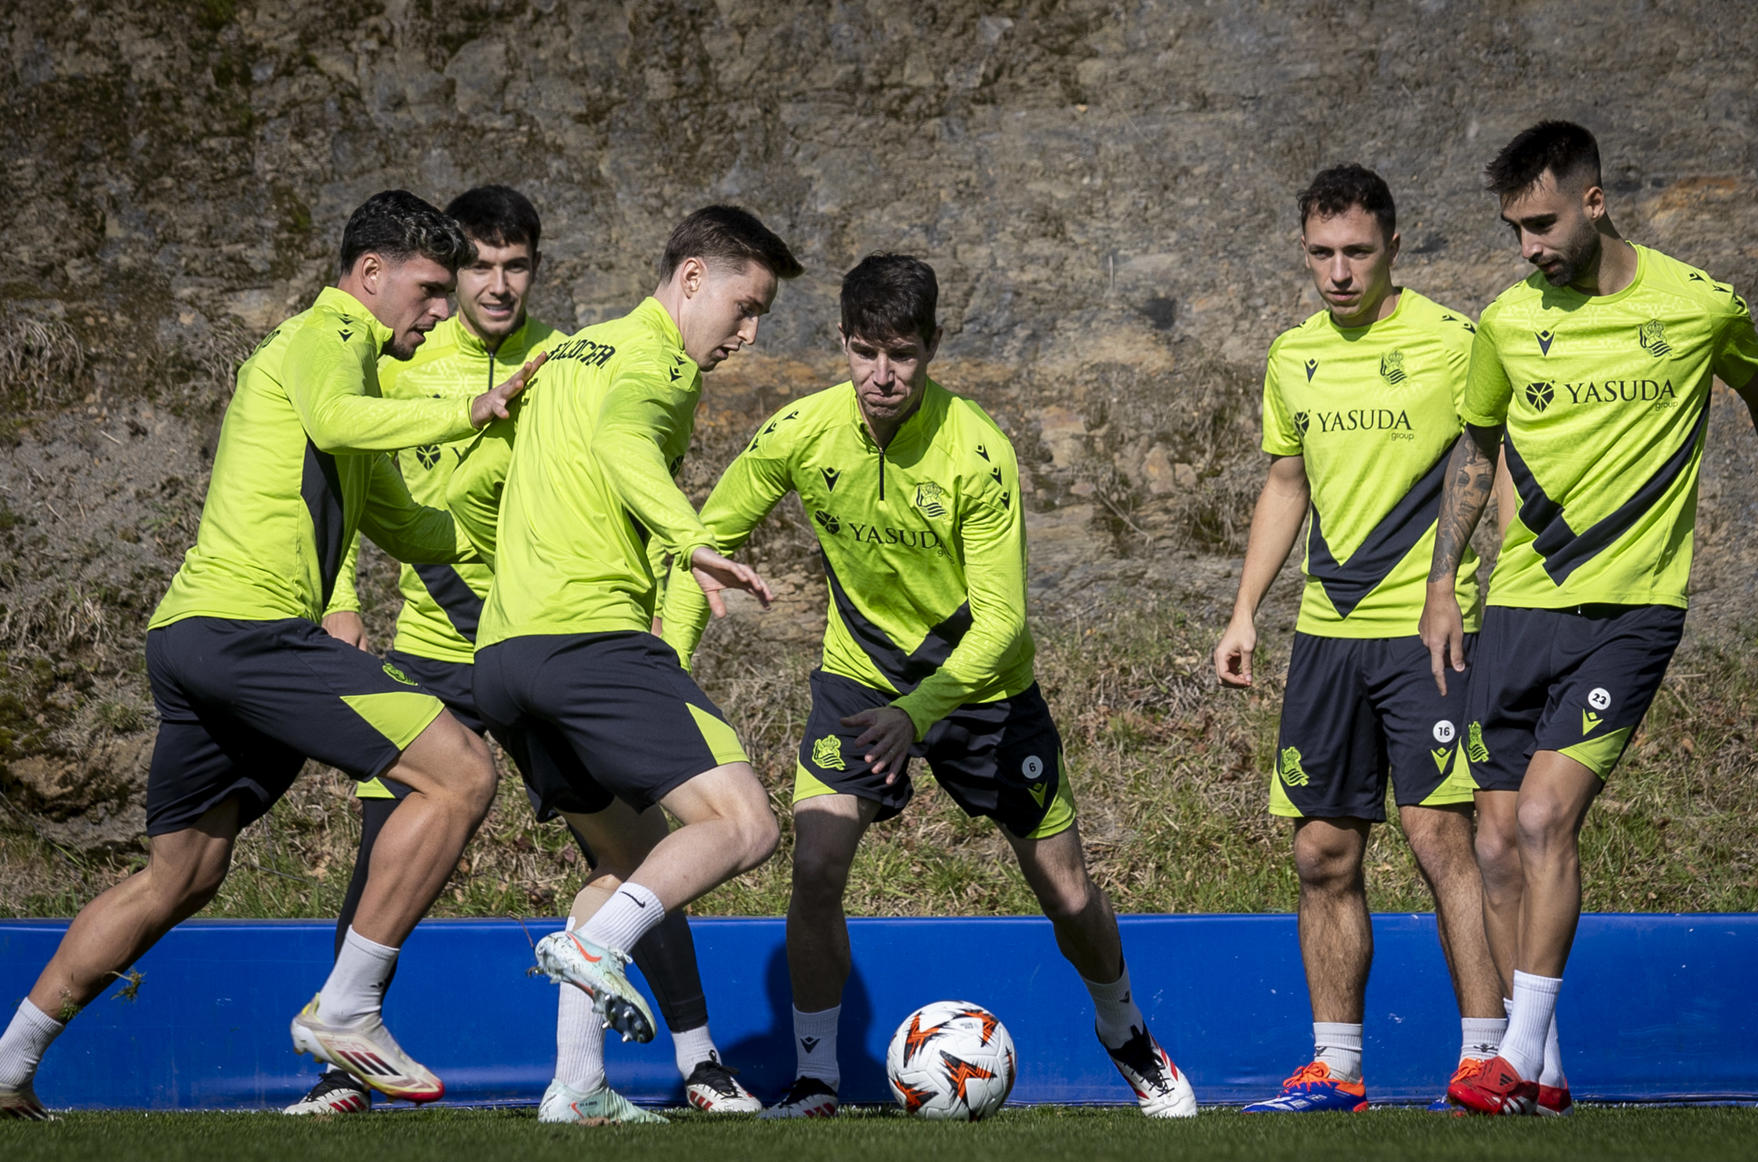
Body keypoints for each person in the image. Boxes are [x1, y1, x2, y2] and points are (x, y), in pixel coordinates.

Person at [0, 191, 538, 1119]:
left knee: (179, 876)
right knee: (460, 774)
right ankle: (347, 1012)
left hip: (195, 639)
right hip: (249, 634)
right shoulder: (328, 335)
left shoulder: (352, 378)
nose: (439, 310)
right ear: (370, 276)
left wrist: (519, 480)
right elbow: (345, 425)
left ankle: (1, 1072)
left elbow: (409, 523)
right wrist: (471, 408)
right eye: (429, 290)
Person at [659, 253, 1198, 1120]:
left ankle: (1126, 1034)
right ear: (841, 341)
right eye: (865, 351)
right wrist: (668, 667)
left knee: (1065, 891)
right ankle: (816, 1081)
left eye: (902, 354)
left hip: (982, 692)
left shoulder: (978, 451)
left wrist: (918, 715)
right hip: (858, 678)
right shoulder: (799, 432)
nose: (881, 375)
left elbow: (1002, 626)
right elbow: (704, 547)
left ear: (933, 347)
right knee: (817, 865)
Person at [286, 187, 758, 1117]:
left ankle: (669, 1064)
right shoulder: (407, 356)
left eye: (517, 266)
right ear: (449, 274)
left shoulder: (561, 356)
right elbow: (341, 472)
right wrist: (335, 598)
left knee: (630, 845)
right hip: (461, 642)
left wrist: (665, 609)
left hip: (521, 635)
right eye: (477, 267)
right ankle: (346, 1065)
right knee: (393, 845)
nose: (498, 285)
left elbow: (611, 468)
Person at [1421, 121, 1758, 1116]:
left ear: (1594, 200)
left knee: (1542, 817)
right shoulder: (1503, 323)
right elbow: (1475, 448)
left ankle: (1514, 1059)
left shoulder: (1697, 306)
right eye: (1513, 230)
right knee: (1492, 843)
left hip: (1631, 608)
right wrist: (1445, 585)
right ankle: (1549, 1074)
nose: (1527, 246)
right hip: (1519, 605)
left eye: (1540, 223)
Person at [447, 204, 802, 1125]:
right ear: (691, 280)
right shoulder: (660, 365)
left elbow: (467, 488)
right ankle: (598, 951)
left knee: (629, 864)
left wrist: (523, 560)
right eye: (745, 305)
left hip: (504, 658)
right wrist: (690, 540)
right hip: (589, 644)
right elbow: (622, 444)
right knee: (747, 822)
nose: (749, 334)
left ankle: (575, 1086)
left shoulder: (563, 354)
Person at [1215, 166, 1508, 1114]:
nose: (1338, 272)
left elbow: (1493, 462)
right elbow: (1287, 485)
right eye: (1321, 254)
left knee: (1439, 840)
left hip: (1425, 634)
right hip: (1326, 638)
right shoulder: (1292, 355)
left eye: (1357, 252)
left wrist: (1497, 587)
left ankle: (1487, 1059)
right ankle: (1336, 1071)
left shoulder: (1456, 342)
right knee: (1321, 856)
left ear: (1394, 248)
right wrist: (1245, 609)